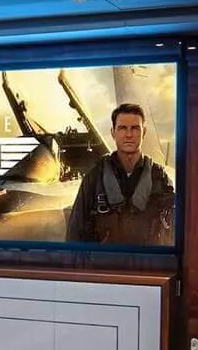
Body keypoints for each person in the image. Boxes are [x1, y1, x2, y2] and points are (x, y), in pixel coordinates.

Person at [64, 102, 175, 245]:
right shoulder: (95, 178)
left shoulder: (160, 179)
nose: (129, 135)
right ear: (113, 133)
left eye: (135, 128)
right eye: (122, 128)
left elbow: (173, 234)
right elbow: (75, 234)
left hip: (147, 259)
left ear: (144, 132)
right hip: (104, 259)